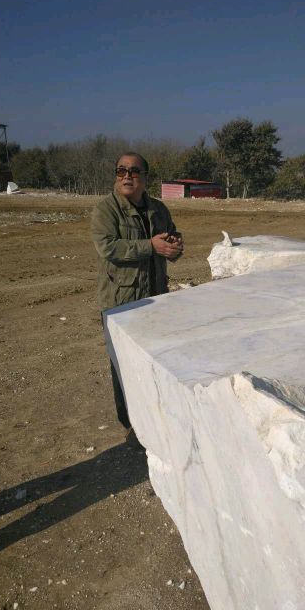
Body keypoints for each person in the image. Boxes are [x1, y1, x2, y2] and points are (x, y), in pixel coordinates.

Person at [91, 152, 183, 437]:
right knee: (124, 366)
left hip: (156, 298)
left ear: (145, 177)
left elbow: (170, 238)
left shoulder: (158, 209)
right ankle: (131, 425)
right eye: (121, 171)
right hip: (122, 303)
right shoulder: (106, 210)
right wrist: (150, 246)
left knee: (157, 360)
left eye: (133, 171)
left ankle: (157, 417)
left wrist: (174, 246)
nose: (127, 176)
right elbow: (108, 247)